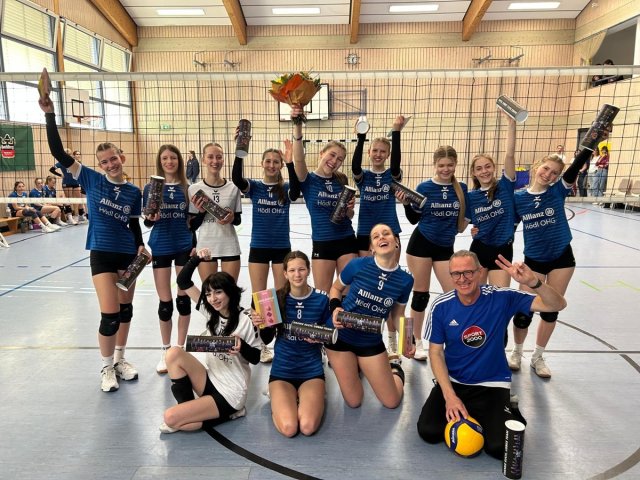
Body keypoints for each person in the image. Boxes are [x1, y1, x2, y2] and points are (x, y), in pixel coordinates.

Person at [39, 71, 148, 392]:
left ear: (121, 158)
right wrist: (49, 115)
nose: (111, 164)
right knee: (109, 314)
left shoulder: (133, 191)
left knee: (126, 311)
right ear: (99, 165)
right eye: (105, 161)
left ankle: (121, 360)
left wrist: (141, 246)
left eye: (113, 158)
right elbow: (59, 153)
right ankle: (106, 367)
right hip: (101, 252)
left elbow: (133, 223)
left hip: (128, 254)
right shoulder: (89, 178)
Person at [417, 250, 567, 459]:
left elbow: (557, 305)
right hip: (455, 382)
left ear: (480, 272)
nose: (462, 279)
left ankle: (509, 407)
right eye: (456, 274)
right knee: (429, 432)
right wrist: (450, 396)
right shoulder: (441, 305)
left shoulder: (501, 297)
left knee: (498, 448)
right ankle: (473, 410)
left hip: (492, 384)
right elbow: (435, 353)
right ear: (450, 276)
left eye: (468, 272)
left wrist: (533, 282)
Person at [507, 118, 606, 378]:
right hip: (534, 259)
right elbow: (508, 228)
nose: (549, 175)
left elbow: (574, 167)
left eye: (554, 173)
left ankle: (538, 356)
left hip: (562, 257)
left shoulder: (557, 191)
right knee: (523, 312)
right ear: (537, 167)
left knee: (551, 309)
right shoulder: (518, 198)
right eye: (546, 169)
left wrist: (594, 137)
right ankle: (517, 351)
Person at [162, 249, 261, 433]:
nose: (212, 299)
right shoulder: (211, 311)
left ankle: (232, 412)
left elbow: (256, 357)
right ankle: (188, 410)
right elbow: (183, 281)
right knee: (173, 353)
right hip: (210, 379)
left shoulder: (247, 319)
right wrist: (196, 259)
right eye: (208, 294)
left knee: (170, 418)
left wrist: (241, 347)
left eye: (218, 292)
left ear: (230, 292)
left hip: (230, 392)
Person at [326, 223, 414, 409]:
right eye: (376, 236)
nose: (381, 237)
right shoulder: (357, 265)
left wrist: (409, 340)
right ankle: (356, 367)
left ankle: (394, 368)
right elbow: (335, 288)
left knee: (391, 402)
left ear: (396, 242)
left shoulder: (406, 280)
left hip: (369, 341)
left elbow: (398, 314)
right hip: (340, 336)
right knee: (354, 401)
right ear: (372, 248)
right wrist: (335, 308)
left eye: (386, 233)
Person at [232, 140, 301, 363]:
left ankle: (282, 340)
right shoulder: (255, 187)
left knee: (281, 296)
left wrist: (290, 162)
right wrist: (240, 151)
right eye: (268, 161)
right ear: (262, 163)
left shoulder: (286, 189)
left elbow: (297, 190)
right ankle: (261, 343)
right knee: (260, 296)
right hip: (259, 247)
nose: (272, 165)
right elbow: (236, 179)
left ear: (280, 165)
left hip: (281, 248)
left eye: (276, 162)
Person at [251, 251, 329, 437]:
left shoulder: (322, 299)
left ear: (309, 270)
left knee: (308, 427)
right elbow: (267, 339)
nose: (297, 275)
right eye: (292, 270)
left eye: (301, 269)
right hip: (282, 371)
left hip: (311, 370)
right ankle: (280, 397)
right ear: (285, 273)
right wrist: (261, 324)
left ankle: (307, 398)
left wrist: (320, 336)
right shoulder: (274, 299)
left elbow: (330, 335)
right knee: (289, 428)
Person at [401, 145, 468, 361]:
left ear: (455, 164)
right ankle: (414, 341)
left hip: (445, 247)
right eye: (441, 165)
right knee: (420, 295)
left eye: (450, 165)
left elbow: (464, 221)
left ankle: (453, 340)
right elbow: (414, 219)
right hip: (421, 245)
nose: (445, 169)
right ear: (435, 165)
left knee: (455, 294)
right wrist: (406, 204)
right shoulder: (424, 187)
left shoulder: (462, 188)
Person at [351, 115, 406, 358]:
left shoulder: (392, 176)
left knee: (391, 287)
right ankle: (367, 337)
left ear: (388, 154)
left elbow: (396, 163)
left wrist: (396, 131)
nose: (378, 154)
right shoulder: (362, 176)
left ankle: (393, 341)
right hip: (365, 233)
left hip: (390, 232)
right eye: (375, 150)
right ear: (369, 152)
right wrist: (361, 136)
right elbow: (354, 166)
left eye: (383, 151)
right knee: (368, 286)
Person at [291, 105, 358, 294]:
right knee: (324, 294)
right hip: (323, 242)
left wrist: (349, 209)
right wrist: (297, 124)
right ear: (322, 153)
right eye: (332, 155)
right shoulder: (308, 179)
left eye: (340, 159)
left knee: (346, 294)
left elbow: (350, 216)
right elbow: (299, 160)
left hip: (346, 240)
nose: (335, 161)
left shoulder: (341, 180)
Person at [143, 145, 194, 374]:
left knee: (183, 301)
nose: (169, 161)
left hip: (183, 245)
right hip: (161, 245)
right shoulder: (151, 187)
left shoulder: (187, 188)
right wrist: (151, 218)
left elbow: (192, 221)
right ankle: (165, 351)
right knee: (165, 304)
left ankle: (179, 349)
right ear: (160, 161)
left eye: (173, 157)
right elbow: (147, 221)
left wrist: (194, 243)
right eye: (165, 158)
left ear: (179, 161)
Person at [467, 115, 516, 288]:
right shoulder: (471, 197)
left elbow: (510, 155)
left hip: (503, 249)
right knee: (475, 296)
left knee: (500, 296)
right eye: (479, 168)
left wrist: (511, 124)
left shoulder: (505, 186)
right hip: (479, 248)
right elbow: (461, 224)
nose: (484, 171)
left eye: (488, 166)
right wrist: (472, 229)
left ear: (494, 168)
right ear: (474, 173)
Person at [188, 142, 242, 282]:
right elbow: (192, 226)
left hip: (229, 246)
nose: (215, 161)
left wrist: (231, 218)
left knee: (230, 291)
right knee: (209, 292)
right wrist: (201, 212)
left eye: (219, 157)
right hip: (205, 246)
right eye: (210, 157)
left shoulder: (233, 187)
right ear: (203, 159)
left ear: (223, 159)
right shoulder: (193, 189)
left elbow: (238, 220)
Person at [49, 150, 88, 223]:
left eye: (69, 154)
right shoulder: (61, 162)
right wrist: (60, 175)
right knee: (68, 200)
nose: (68, 155)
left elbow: (81, 171)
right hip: (67, 183)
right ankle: (70, 217)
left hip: (76, 182)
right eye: (67, 154)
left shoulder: (74, 162)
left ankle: (81, 215)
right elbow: (51, 169)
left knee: (79, 199)